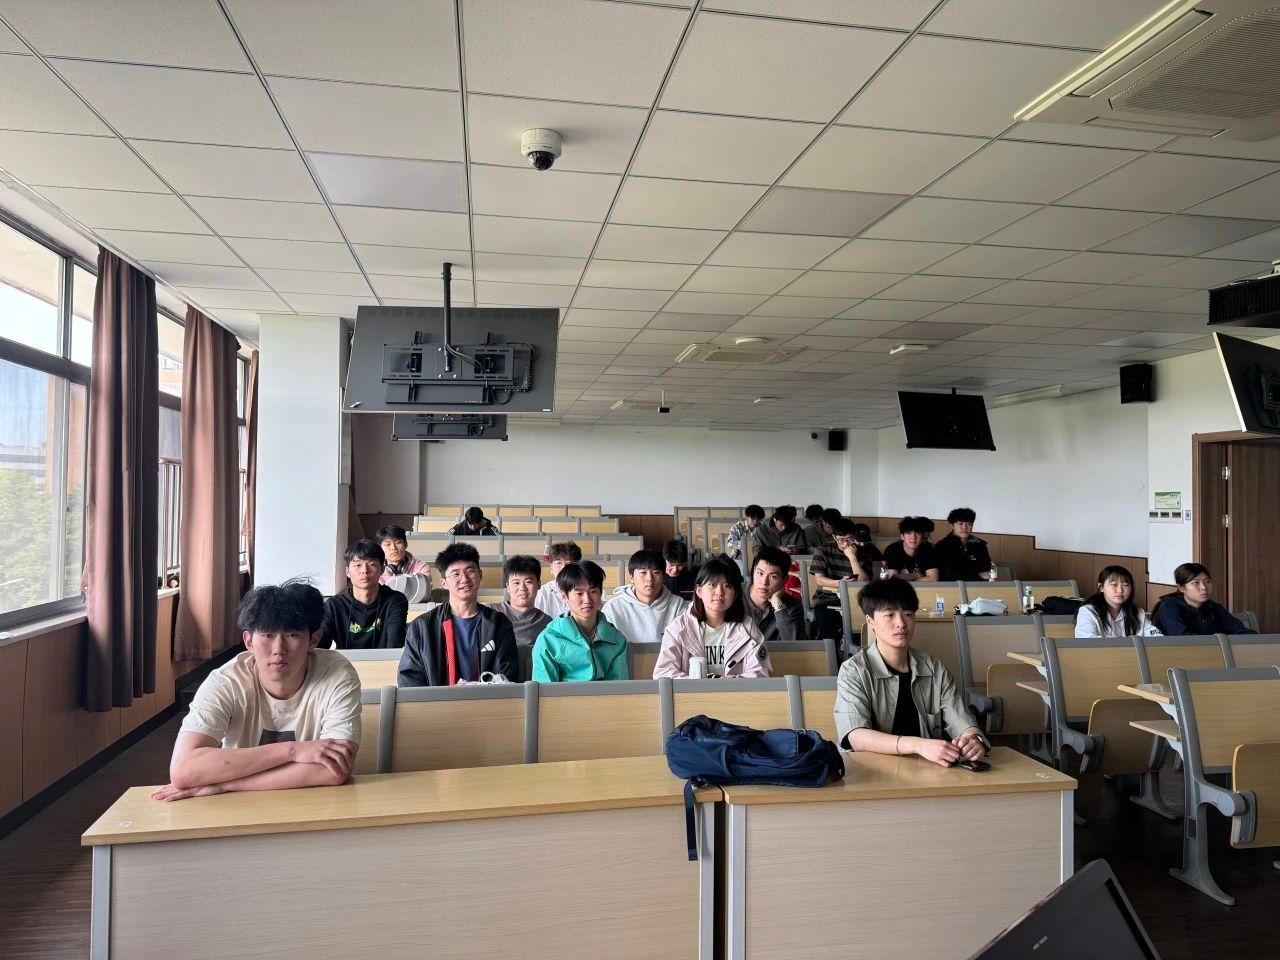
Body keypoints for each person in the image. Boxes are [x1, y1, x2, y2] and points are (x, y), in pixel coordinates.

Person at [151, 580, 361, 801]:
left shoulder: (337, 674)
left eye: (292, 635)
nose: (279, 649)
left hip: (313, 802)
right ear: (249, 642)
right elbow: (184, 770)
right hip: (238, 808)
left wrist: (225, 784)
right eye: (268, 635)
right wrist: (293, 750)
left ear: (314, 639)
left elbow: (334, 771)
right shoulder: (226, 682)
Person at [833, 578, 988, 766]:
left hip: (928, 770)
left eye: (907, 614)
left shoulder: (934, 668)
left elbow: (961, 720)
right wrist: (917, 745)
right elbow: (856, 736)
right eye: (889, 615)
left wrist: (973, 739)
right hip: (873, 770)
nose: (901, 623)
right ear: (870, 621)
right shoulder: (854, 670)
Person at [398, 543, 520, 685]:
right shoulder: (422, 627)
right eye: (455, 574)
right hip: (438, 700)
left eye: (470, 571)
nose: (464, 579)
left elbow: (508, 675)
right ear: (444, 583)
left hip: (487, 698)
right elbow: (410, 680)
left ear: (480, 575)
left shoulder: (499, 624)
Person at [654, 555, 770, 678]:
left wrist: (735, 681)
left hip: (735, 691)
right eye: (712, 584)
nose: (719, 592)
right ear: (699, 591)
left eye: (727, 586)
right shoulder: (679, 628)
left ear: (735, 594)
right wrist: (699, 684)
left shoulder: (748, 627)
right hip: (693, 691)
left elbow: (761, 672)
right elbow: (663, 673)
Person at [532, 561, 630, 681]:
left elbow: (619, 687)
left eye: (593, 591)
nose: (587, 599)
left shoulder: (616, 639)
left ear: (600, 593)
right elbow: (545, 689)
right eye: (579, 593)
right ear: (564, 597)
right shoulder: (548, 639)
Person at [320, 539, 408, 649]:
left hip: (386, 660)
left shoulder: (395, 601)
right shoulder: (334, 605)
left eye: (371, 564)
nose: (364, 571)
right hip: (344, 661)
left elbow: (395, 645)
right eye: (358, 565)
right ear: (347, 571)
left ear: (382, 569)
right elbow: (320, 648)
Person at [602, 548, 690, 643]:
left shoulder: (678, 606)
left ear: (664, 577)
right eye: (643, 573)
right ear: (631, 578)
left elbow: (687, 643)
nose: (649, 579)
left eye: (655, 572)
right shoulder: (613, 608)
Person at [1152, 563, 1255, 636]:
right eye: (1196, 583)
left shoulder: (1214, 608)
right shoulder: (1169, 608)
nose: (1204, 587)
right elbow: (1184, 640)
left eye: (1207, 582)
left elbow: (1239, 631)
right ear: (1181, 588)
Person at [809, 516, 868, 640]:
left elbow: (864, 582)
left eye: (849, 539)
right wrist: (841, 583)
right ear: (834, 537)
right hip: (826, 598)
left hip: (855, 600)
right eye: (841, 539)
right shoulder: (822, 550)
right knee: (828, 634)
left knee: (859, 634)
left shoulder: (863, 552)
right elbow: (819, 580)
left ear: (854, 536)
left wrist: (852, 557)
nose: (845, 544)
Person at [1075, 565, 1161, 638]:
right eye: (1114, 585)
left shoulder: (1137, 613)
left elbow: (1156, 637)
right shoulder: (1088, 611)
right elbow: (1087, 642)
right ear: (1101, 587)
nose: (1120, 590)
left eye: (1125, 585)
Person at [744, 546, 806, 644]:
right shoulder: (734, 596)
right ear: (754, 571)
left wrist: (779, 608)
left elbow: (796, 647)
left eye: (773, 576)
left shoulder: (793, 607)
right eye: (760, 573)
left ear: (784, 580)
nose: (764, 582)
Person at [489, 554, 553, 645]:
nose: (522, 588)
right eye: (516, 583)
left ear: (538, 585)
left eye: (528, 582)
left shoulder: (546, 622)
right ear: (508, 587)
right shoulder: (490, 612)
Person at [933, 507, 994, 581]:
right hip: (951, 587)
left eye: (969, 524)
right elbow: (951, 575)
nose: (965, 527)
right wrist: (978, 575)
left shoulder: (980, 545)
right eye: (960, 524)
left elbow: (988, 572)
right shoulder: (942, 546)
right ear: (952, 525)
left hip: (978, 587)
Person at [882, 517, 940, 582]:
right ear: (902, 536)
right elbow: (893, 579)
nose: (913, 537)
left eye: (918, 533)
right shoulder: (892, 550)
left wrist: (909, 580)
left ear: (922, 537)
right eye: (909, 533)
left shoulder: (928, 549)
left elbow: (933, 578)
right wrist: (917, 575)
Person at [535, 541, 582, 617]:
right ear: (551, 568)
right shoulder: (542, 594)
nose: (564, 568)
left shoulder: (586, 591)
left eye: (569, 563)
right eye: (558, 563)